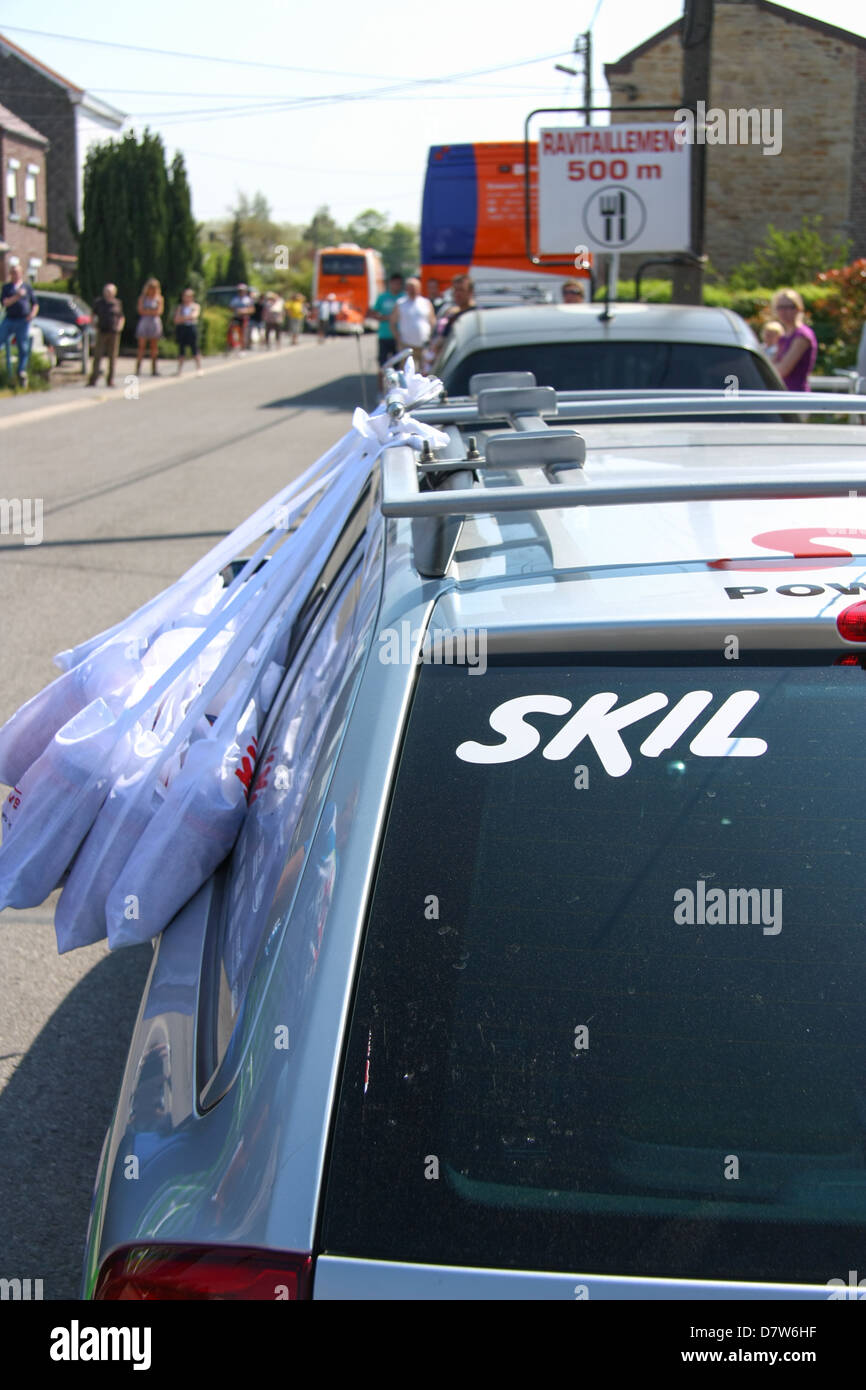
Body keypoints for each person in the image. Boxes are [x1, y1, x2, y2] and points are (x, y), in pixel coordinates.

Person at [0, 257, 39, 388]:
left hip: (23, 320)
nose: (14, 275)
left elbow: (35, 304)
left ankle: (21, 371)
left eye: (17, 272)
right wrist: (17, 296)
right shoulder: (7, 288)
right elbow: (5, 303)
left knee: (23, 346)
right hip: (10, 318)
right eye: (12, 272)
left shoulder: (27, 287)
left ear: (21, 274)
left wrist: (32, 314)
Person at [424, 274, 475, 370]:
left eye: (461, 290)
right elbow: (441, 341)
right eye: (455, 290)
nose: (457, 294)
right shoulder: (452, 316)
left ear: (470, 292)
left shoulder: (476, 316)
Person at [771, 288, 817, 391]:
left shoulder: (802, 335)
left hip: (796, 394)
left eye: (789, 307)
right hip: (781, 392)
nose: (784, 312)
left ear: (798, 308)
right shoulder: (783, 337)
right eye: (780, 307)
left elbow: (783, 369)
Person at [389, 276, 436, 370]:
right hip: (406, 345)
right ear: (406, 289)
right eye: (410, 288)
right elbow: (392, 323)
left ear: (419, 288)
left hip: (424, 345)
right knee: (407, 372)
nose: (412, 290)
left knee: (426, 372)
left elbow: (432, 321)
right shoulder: (400, 303)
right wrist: (398, 339)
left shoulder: (426, 303)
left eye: (414, 288)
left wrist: (432, 339)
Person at [87, 282, 125, 387]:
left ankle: (110, 380)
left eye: (110, 292)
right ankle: (93, 379)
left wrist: (120, 326)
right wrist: (93, 324)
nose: (107, 294)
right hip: (102, 331)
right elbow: (93, 314)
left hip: (113, 332)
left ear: (114, 293)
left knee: (112, 357)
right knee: (97, 356)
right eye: (106, 291)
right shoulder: (99, 303)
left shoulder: (117, 303)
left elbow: (121, 316)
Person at [372, 272, 403, 387]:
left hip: (398, 337)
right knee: (382, 366)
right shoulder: (382, 297)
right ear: (390, 284)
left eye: (398, 284)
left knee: (398, 367)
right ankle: (380, 391)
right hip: (384, 336)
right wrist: (387, 318)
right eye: (394, 284)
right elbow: (374, 313)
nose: (396, 286)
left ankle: (398, 389)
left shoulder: (403, 297)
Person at [135, 278, 164, 376]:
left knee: (154, 347)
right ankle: (138, 368)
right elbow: (140, 310)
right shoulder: (143, 298)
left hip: (154, 323)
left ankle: (154, 368)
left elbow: (159, 311)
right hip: (144, 322)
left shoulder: (159, 298)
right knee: (141, 346)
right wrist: (150, 311)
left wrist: (148, 311)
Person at [173, 288, 202, 375]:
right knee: (181, 349)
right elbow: (176, 320)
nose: (186, 298)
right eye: (185, 296)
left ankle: (199, 368)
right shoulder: (180, 307)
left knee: (195, 348)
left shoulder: (195, 306)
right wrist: (186, 318)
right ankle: (179, 370)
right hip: (182, 329)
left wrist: (183, 318)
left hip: (191, 328)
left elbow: (194, 316)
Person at [229, 283, 255, 350]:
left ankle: (242, 348)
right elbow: (231, 308)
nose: (241, 292)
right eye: (239, 290)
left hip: (244, 318)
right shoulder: (235, 299)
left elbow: (252, 310)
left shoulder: (248, 299)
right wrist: (236, 310)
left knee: (243, 333)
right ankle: (234, 345)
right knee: (234, 332)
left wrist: (244, 311)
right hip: (236, 317)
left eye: (242, 290)